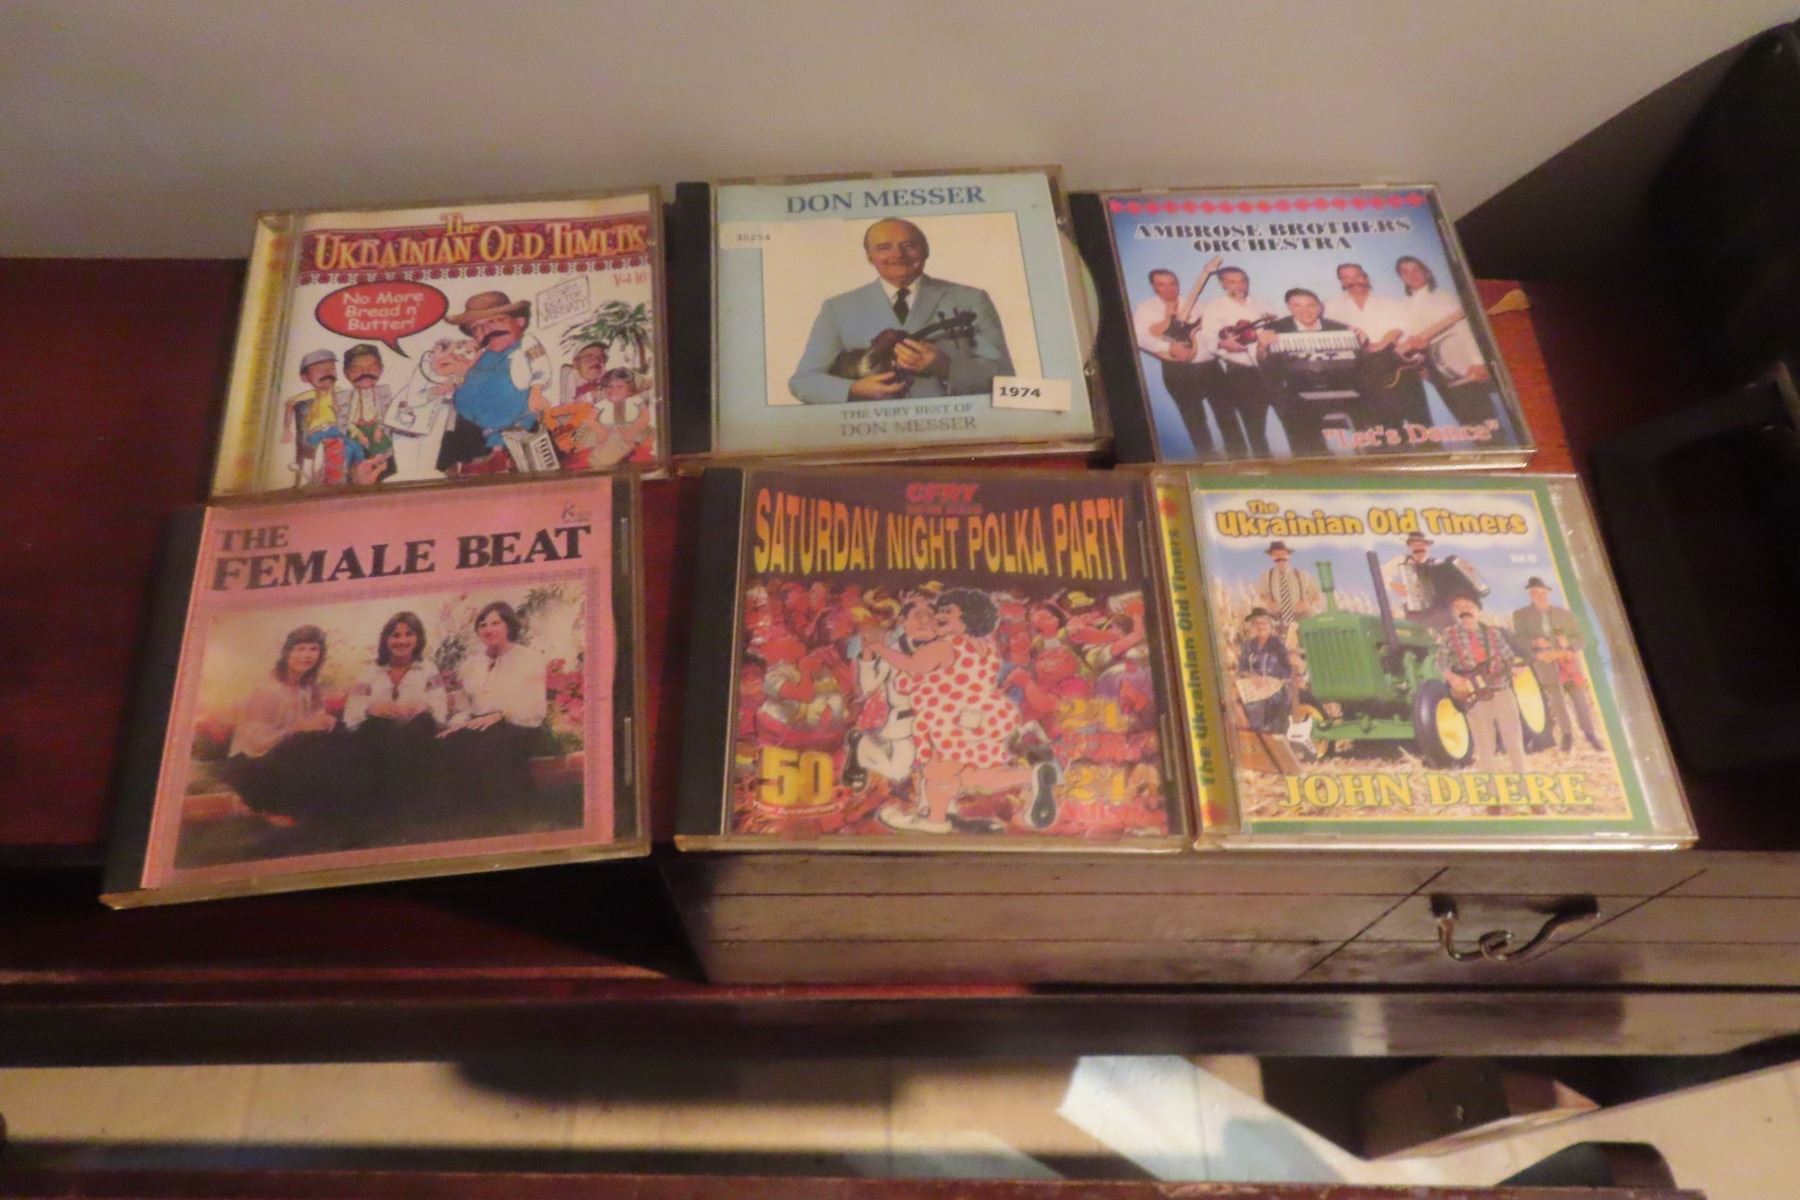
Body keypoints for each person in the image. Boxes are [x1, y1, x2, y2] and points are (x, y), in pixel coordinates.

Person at [863, 589, 1059, 835]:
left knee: (939, 771)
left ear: (968, 616)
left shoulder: (945, 646)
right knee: (974, 775)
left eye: (947, 611)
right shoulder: (985, 647)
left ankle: (936, 820)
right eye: (939, 610)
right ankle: (1032, 775)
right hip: (984, 718)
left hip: (951, 719)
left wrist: (880, 649)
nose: (939, 615)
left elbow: (913, 666)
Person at [788, 217, 1012, 405]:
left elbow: (1004, 377)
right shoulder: (838, 307)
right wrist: (853, 389)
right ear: (869, 256)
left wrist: (946, 367)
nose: (898, 255)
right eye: (884, 248)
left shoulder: (971, 299)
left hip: (952, 426)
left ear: (926, 250)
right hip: (871, 430)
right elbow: (804, 381)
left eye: (909, 245)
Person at [222, 625, 343, 830]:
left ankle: (321, 806)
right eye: (300, 649)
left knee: (335, 740)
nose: (307, 655)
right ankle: (267, 805)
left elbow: (314, 719)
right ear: (287, 652)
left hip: (290, 750)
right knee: (302, 746)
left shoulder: (310, 686)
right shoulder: (268, 689)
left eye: (313, 649)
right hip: (254, 759)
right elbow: (254, 740)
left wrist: (325, 721)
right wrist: (298, 728)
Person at [436, 601, 548, 808]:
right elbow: (463, 707)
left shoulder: (529, 659)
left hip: (518, 724)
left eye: (495, 623)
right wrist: (459, 724)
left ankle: (505, 809)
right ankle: (460, 810)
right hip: (480, 724)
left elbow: (535, 706)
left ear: (508, 626)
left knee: (489, 746)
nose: (488, 630)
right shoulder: (470, 666)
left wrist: (501, 715)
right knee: (448, 743)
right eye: (483, 625)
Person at [437, 292, 554, 475]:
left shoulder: (526, 343)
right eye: (476, 328)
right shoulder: (484, 354)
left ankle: (497, 460)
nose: (487, 330)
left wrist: (536, 392)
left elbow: (541, 366)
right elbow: (467, 375)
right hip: (474, 427)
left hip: (513, 418)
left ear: (520, 321)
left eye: (495, 320)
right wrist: (454, 384)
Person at [344, 611, 447, 814]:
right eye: (395, 635)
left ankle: (412, 805)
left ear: (418, 638)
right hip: (381, 733)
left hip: (415, 732)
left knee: (421, 725)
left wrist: (423, 707)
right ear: (386, 639)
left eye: (409, 634)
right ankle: (387, 806)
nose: (402, 641)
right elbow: (352, 713)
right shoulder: (370, 671)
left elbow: (440, 707)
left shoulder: (428, 669)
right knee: (382, 730)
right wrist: (372, 709)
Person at [843, 597, 938, 792]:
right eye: (918, 615)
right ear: (903, 621)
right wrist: (868, 654)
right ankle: (861, 746)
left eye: (930, 615)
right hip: (904, 723)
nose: (925, 621)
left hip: (937, 722)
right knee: (898, 773)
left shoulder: (943, 648)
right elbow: (869, 687)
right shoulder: (891, 650)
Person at [1324, 262, 1430, 429]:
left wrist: (1392, 341)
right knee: (1378, 431)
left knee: (1421, 427)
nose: (1354, 281)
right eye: (1347, 278)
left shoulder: (1393, 304)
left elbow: (1411, 335)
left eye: (1357, 276)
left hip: (1400, 373)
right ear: (1341, 282)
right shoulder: (1329, 308)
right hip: (1360, 378)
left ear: (1366, 277)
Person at [1395, 255, 1496, 429]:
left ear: (1426, 272)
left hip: (1459, 361)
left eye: (1416, 269)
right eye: (1405, 272)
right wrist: (1421, 366)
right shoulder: (1404, 305)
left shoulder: (1444, 297)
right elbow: (1411, 340)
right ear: (1401, 277)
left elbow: (1465, 329)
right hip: (1434, 367)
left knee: (1485, 418)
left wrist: (1477, 362)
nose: (1412, 275)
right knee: (1466, 421)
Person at [1133, 261, 1223, 456]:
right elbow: (1139, 337)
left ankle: (1239, 455)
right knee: (1194, 419)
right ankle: (1208, 458)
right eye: (1162, 284)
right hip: (1179, 372)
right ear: (1154, 286)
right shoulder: (1146, 308)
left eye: (1172, 283)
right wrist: (1169, 347)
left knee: (1227, 414)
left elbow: (1212, 332)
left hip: (1210, 367)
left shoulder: (1198, 305)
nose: (1169, 288)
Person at [1255, 287, 1358, 457]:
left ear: (1319, 307)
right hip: (1293, 391)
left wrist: (1360, 341)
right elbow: (1265, 364)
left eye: (1311, 305)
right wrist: (1262, 347)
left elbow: (1355, 363)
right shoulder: (1274, 328)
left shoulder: (1338, 327)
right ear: (1289, 308)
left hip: (1334, 388)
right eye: (1297, 306)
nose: (1305, 311)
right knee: (1304, 441)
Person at [1511, 577, 1604, 752]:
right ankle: (1567, 736)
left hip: (1567, 666)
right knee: (1557, 703)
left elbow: (1581, 638)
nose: (1540, 596)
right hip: (1545, 665)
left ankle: (1590, 734)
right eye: (1535, 593)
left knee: (1580, 701)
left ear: (1549, 593)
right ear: (1530, 595)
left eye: (1543, 593)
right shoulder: (1520, 615)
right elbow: (1518, 640)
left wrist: (1568, 642)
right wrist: (1534, 642)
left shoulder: (1564, 614)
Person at [1198, 266, 1279, 459]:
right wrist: (1223, 344)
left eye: (1243, 280)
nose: (1240, 285)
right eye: (1232, 281)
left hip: (1271, 367)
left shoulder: (1263, 303)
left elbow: (1278, 329)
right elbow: (1208, 338)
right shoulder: (1214, 306)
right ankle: (1262, 462)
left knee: (1286, 414)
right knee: (1254, 425)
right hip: (1242, 371)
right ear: (1222, 284)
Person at [1440, 594, 1526, 774]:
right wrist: (1453, 679)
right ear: (1454, 612)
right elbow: (1441, 662)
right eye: (1459, 607)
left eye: (1469, 606)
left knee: (1514, 743)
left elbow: (1509, 658)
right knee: (1485, 748)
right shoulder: (1450, 635)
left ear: (1478, 610)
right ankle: (1492, 790)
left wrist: (1516, 667)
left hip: (1502, 693)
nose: (1465, 610)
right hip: (1475, 699)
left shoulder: (1493, 633)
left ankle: (1525, 786)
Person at [385, 336, 477, 481]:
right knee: (407, 465)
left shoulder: (457, 371)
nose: (458, 356)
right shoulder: (426, 366)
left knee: (428, 463)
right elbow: (414, 397)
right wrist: (440, 390)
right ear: (437, 350)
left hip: (435, 421)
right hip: (409, 420)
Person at [281, 350, 351, 486]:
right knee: (314, 454)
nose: (327, 373)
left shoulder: (340, 392)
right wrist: (286, 430)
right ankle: (309, 479)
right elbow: (290, 404)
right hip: (316, 433)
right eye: (319, 370)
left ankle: (336, 480)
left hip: (336, 431)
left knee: (346, 450)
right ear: (305, 378)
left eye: (331, 368)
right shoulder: (308, 396)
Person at [341, 343, 396, 482]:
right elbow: (348, 422)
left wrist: (379, 428)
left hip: (375, 429)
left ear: (381, 369)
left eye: (372, 367)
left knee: (384, 446)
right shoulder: (350, 398)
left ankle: (382, 468)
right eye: (357, 369)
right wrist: (358, 434)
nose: (365, 373)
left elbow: (384, 416)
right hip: (358, 431)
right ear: (346, 373)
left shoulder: (382, 393)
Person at [1234, 608, 1293, 733]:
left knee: (1263, 706)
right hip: (1253, 685)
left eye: (1264, 623)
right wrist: (1253, 677)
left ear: (1270, 626)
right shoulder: (1248, 645)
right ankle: (1252, 733)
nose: (1260, 627)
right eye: (1256, 623)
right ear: (1252, 626)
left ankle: (1261, 732)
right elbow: (1242, 668)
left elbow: (1287, 669)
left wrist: (1269, 677)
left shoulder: (1278, 644)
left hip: (1275, 689)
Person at [1384, 533, 1452, 628]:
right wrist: (1393, 585)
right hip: (1412, 610)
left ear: (1427, 546)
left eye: (1421, 544)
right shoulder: (1402, 560)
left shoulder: (1438, 563)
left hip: (1436, 611)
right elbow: (1381, 572)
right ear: (1410, 547)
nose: (1418, 548)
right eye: (1414, 545)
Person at [1256, 541, 1322, 638]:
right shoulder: (1266, 576)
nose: (1280, 557)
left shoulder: (1302, 574)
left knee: (1305, 643)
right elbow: (1261, 593)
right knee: (1282, 644)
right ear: (1271, 557)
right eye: (1275, 554)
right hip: (1278, 620)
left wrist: (1307, 603)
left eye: (1282, 554)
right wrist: (1268, 601)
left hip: (1302, 618)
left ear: (1288, 556)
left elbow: (1317, 595)